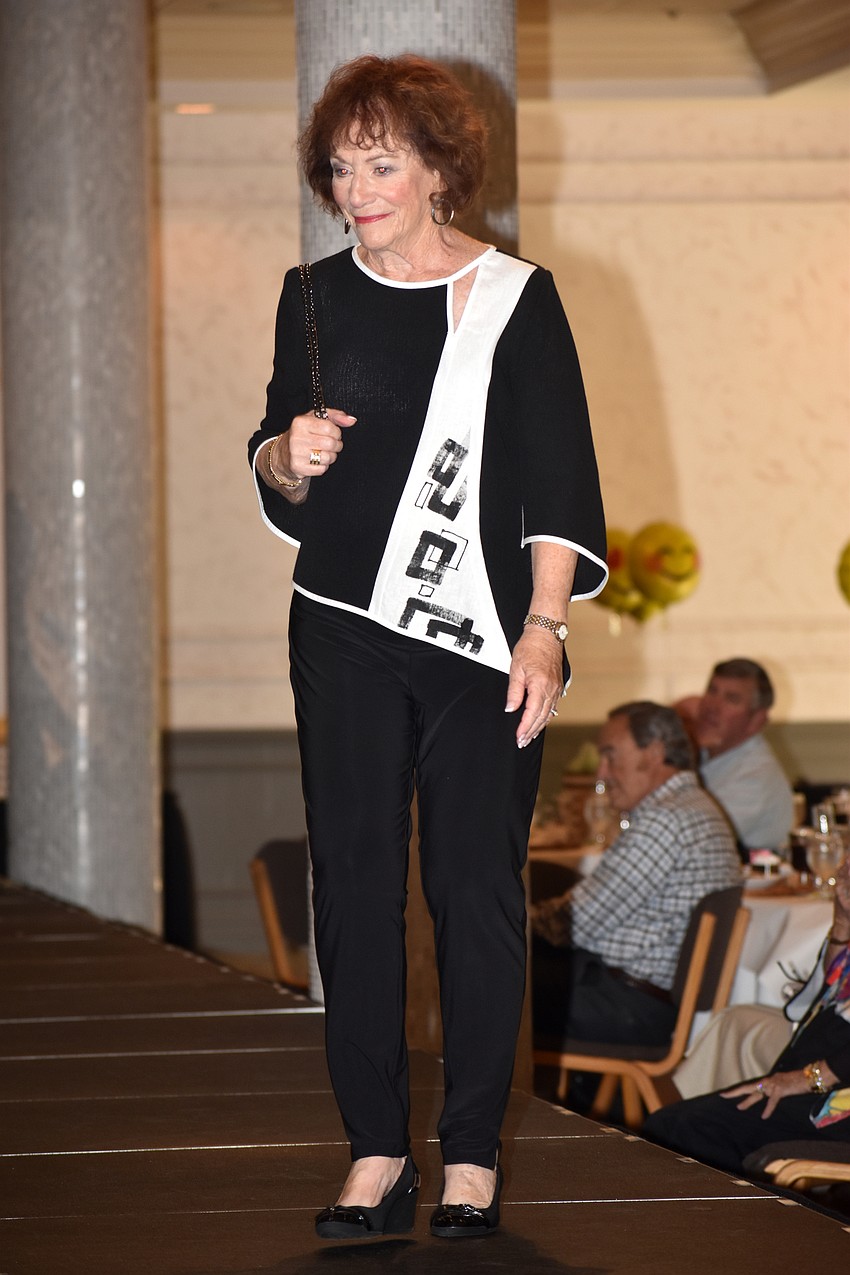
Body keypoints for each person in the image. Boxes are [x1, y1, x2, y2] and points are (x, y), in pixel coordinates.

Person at [247, 54, 607, 1239]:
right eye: (343, 165)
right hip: (344, 627)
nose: (358, 187)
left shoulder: (518, 296)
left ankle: (468, 1153)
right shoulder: (313, 295)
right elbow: (271, 455)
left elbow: (557, 481)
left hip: (482, 637)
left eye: (382, 161)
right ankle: (375, 1150)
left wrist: (545, 630)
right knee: (351, 889)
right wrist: (282, 454)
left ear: (441, 168)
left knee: (472, 889)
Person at [532, 702, 741, 1053]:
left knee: (485, 982)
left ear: (654, 753)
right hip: (640, 1001)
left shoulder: (664, 820)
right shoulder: (698, 806)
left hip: (624, 1007)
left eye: (610, 755)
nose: (601, 772)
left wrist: (508, 923)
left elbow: (574, 924)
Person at [643, 857, 850, 1174]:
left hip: (837, 1097)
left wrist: (810, 1078)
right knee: (675, 1128)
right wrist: (843, 922)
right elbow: (832, 988)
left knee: (676, 1133)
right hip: (822, 1063)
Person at [694, 658, 794, 858]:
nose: (712, 706)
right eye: (712, 691)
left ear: (756, 721)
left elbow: (692, 840)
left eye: (731, 699)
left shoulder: (755, 777)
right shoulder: (704, 753)